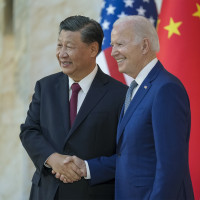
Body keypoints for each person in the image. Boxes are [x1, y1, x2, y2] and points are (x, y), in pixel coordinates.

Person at [62, 15, 194, 200]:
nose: (113, 52)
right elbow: (131, 156)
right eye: (113, 45)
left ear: (144, 46)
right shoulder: (135, 90)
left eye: (120, 44)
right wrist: (87, 167)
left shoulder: (165, 89)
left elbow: (171, 166)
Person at [20, 15, 127, 200]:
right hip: (45, 193)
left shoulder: (120, 95)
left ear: (93, 49)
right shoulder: (44, 87)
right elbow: (29, 131)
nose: (61, 53)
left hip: (93, 193)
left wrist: (86, 168)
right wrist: (52, 159)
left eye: (69, 47)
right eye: (59, 45)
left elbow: (127, 153)